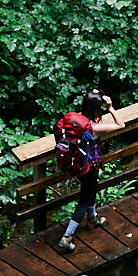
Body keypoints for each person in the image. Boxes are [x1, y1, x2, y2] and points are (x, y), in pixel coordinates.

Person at [52, 89, 124, 254]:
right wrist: (111, 107)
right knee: (84, 199)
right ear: (97, 109)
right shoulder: (94, 128)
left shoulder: (76, 121)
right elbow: (121, 125)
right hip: (89, 167)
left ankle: (92, 219)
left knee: (91, 188)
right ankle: (67, 237)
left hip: (76, 164)